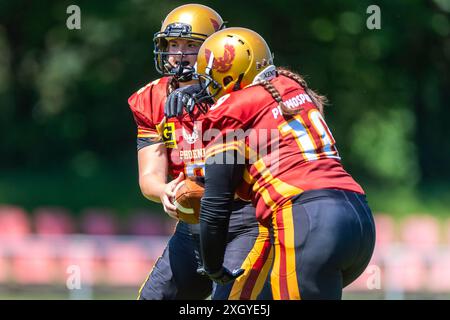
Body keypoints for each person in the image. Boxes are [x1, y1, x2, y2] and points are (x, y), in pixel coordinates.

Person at [173, 27, 376, 299]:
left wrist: (211, 265)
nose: (207, 86)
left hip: (307, 220)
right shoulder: (290, 86)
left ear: (230, 72)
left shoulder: (232, 108)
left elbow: (216, 203)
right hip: (357, 217)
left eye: (209, 77)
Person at [128, 5, 272, 300]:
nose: (179, 53)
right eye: (173, 44)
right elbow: (149, 177)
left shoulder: (240, 91)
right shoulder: (151, 98)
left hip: (247, 220)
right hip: (194, 222)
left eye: (191, 44)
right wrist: (165, 191)